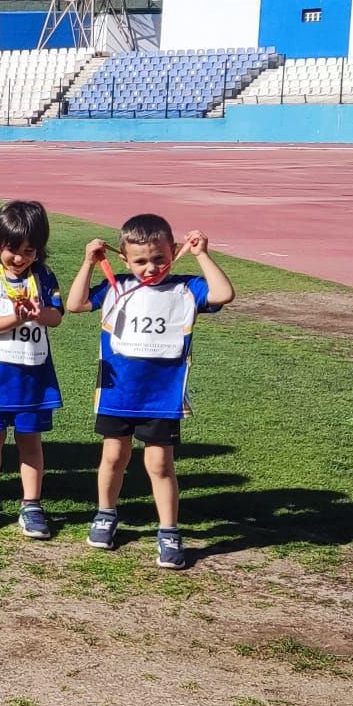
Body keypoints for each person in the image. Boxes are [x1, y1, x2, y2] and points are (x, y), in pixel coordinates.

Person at [64, 214, 235, 570]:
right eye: (140, 261)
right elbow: (75, 304)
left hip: (162, 396)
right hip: (117, 393)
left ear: (173, 251)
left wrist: (202, 254)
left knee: (159, 463)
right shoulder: (117, 286)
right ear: (125, 260)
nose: (150, 267)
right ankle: (105, 514)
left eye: (159, 258)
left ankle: (169, 530)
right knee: (113, 457)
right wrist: (88, 263)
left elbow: (224, 294)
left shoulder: (187, 289)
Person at [0, 201, 64, 540]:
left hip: (34, 375)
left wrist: (39, 313)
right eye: (12, 250)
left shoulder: (44, 277)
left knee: (30, 439)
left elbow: (57, 317)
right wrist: (18, 317)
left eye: (28, 251)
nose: (19, 259)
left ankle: (32, 504)